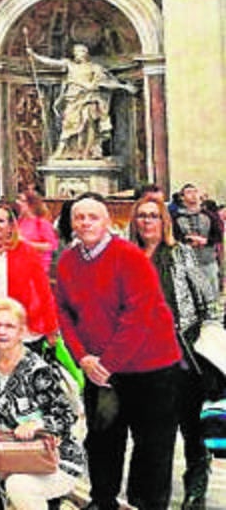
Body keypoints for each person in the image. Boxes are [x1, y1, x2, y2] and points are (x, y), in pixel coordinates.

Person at [55, 194, 182, 510]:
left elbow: (138, 316)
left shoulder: (130, 257)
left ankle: (148, 505)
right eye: (79, 217)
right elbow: (63, 313)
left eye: (93, 217)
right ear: (72, 223)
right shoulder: (68, 260)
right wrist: (82, 358)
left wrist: (107, 364)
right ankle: (103, 501)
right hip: (98, 367)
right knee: (102, 441)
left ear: (108, 221)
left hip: (151, 367)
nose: (85, 223)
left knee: (152, 446)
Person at [129, 197, 220, 509]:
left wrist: (209, 334)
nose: (147, 222)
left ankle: (196, 487)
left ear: (164, 221)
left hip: (183, 350)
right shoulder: (127, 257)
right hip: (142, 355)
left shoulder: (180, 254)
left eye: (153, 216)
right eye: (141, 216)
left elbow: (207, 298)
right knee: (151, 429)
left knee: (192, 425)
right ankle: (148, 494)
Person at [0, 298, 85, 510]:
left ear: (21, 332)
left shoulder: (37, 370)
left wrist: (37, 424)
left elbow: (67, 415)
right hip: (14, 450)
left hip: (55, 457)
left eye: (9, 326)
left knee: (18, 485)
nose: (2, 331)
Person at [27, 44, 137, 160]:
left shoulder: (95, 68)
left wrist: (124, 87)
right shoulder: (70, 65)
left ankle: (88, 152)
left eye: (80, 51)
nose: (78, 54)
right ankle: (62, 151)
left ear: (86, 53)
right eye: (76, 52)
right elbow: (52, 63)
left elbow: (107, 83)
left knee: (90, 125)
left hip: (90, 99)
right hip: (73, 100)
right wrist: (34, 56)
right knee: (68, 125)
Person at [0, 204, 59, 344]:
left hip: (21, 329)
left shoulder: (25, 251)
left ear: (10, 226)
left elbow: (43, 290)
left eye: (0, 221)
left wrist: (51, 328)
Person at [172, 183, 223, 289]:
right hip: (187, 263)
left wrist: (205, 241)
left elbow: (218, 236)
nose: (193, 195)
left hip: (207, 262)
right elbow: (173, 238)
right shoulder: (176, 217)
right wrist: (187, 241)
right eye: (189, 192)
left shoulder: (209, 216)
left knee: (212, 295)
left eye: (195, 191)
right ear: (182, 197)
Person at [14, 190, 58, 274]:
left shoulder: (42, 223)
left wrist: (25, 243)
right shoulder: (20, 221)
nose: (18, 203)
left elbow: (50, 246)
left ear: (31, 204)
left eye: (22, 201)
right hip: (21, 266)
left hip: (37, 268)